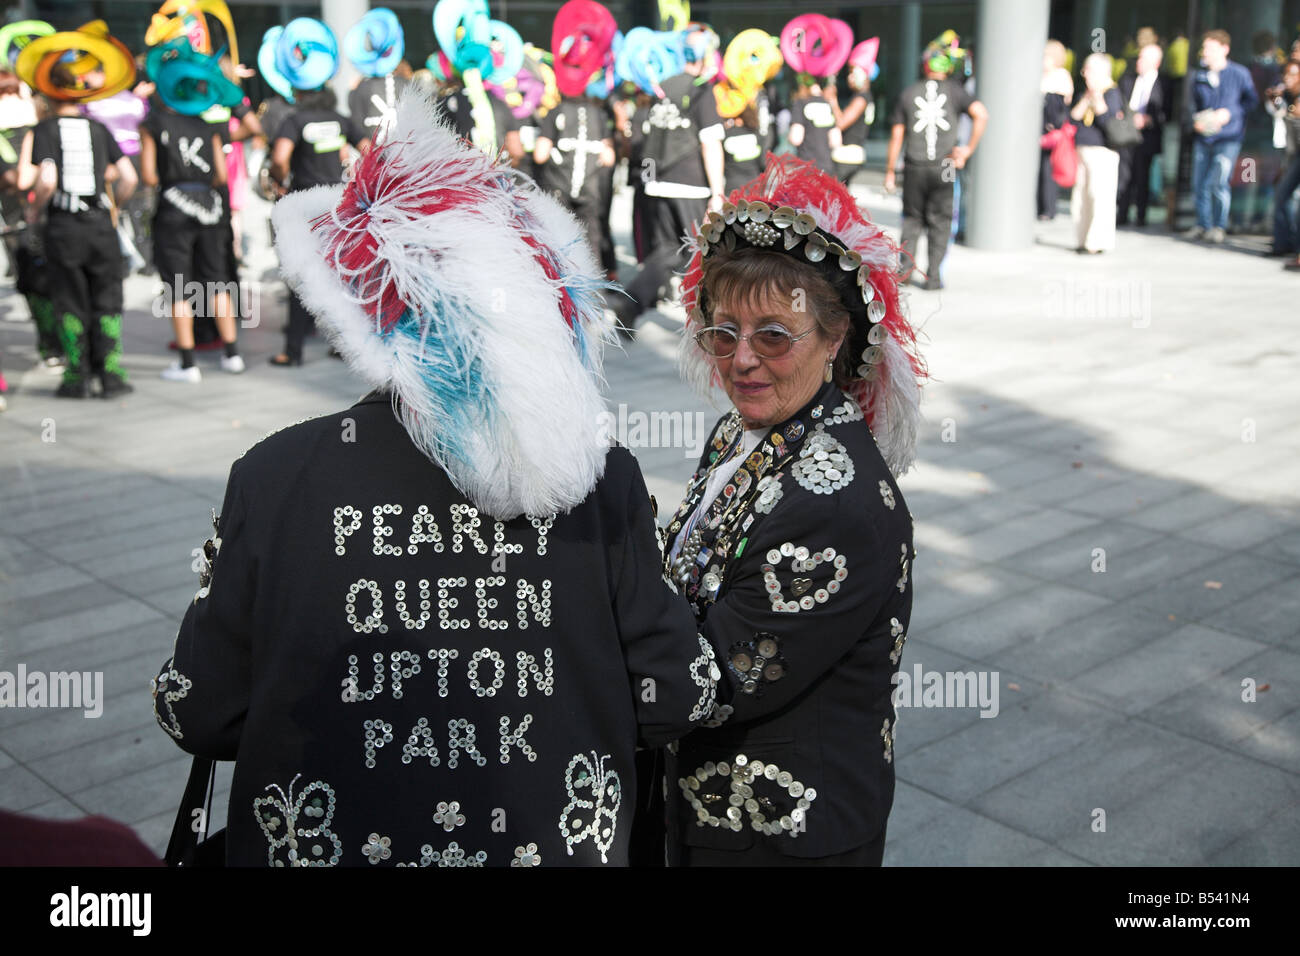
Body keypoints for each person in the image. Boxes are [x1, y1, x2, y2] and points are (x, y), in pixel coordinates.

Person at [151, 91, 716, 867]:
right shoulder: (601, 471)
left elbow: (196, 708)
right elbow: (679, 691)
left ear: (363, 311)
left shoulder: (276, 474)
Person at [657, 153, 925, 866]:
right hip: (713, 818)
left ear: (834, 340)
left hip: (783, 837)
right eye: (723, 333)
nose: (741, 360)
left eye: (773, 335)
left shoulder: (832, 503)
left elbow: (710, 681)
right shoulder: (744, 432)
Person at [17, 63, 139, 398]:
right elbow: (129, 176)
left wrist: (34, 208)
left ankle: (77, 377)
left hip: (65, 227)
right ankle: (111, 374)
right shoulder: (98, 128)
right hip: (100, 224)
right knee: (107, 297)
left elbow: (47, 178)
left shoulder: (45, 129)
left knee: (70, 298)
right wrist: (114, 207)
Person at [609, 28, 725, 333]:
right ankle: (708, 324)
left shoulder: (662, 89)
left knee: (666, 251)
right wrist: (718, 191)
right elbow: (710, 141)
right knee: (703, 251)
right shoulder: (701, 91)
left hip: (657, 184)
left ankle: (631, 303)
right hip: (691, 185)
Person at [140, 98, 243, 381]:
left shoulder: (152, 125)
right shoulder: (208, 125)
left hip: (173, 207)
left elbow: (149, 176)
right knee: (218, 280)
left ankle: (188, 363)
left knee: (178, 285)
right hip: (209, 206)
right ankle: (232, 354)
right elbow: (221, 175)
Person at [267, 87, 369, 366]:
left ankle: (293, 350)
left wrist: (280, 181)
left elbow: (279, 158)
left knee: (303, 271)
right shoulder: (339, 119)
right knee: (340, 272)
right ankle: (345, 346)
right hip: (337, 202)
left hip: (305, 203)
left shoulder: (294, 121)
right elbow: (369, 150)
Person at [885, 32, 988, 289]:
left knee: (912, 219)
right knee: (941, 221)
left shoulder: (909, 93)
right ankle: (933, 277)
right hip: (944, 165)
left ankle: (905, 272)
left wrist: (889, 171)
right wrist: (967, 149)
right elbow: (981, 114)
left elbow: (897, 135)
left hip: (915, 166)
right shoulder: (956, 91)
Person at [1185, 29, 1259, 243]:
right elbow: (1189, 105)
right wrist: (1195, 121)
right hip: (1204, 136)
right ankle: (1202, 225)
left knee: (1218, 182)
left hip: (1228, 138)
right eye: (1204, 48)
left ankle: (1219, 226)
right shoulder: (1198, 75)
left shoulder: (1239, 74)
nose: (1205, 52)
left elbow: (1250, 102)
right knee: (1199, 183)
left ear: (1224, 49)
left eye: (1210, 48)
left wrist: (1230, 113)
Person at [533, 93, 616, 277]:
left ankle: (557, 284)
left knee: (556, 239)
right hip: (590, 188)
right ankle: (592, 290)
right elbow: (609, 157)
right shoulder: (598, 114)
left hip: (559, 188)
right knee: (590, 242)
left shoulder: (556, 112)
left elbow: (540, 154)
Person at [1068, 53, 1126, 254]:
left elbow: (1108, 122)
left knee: (1099, 197)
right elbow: (1073, 118)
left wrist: (1098, 99)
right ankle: (1082, 239)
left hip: (1102, 151)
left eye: (1089, 70)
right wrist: (1086, 99)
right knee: (1081, 197)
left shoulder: (1112, 93)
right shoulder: (1085, 92)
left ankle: (1096, 241)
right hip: (1082, 150)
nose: (1085, 75)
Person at [1117, 43, 1169, 227]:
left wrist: (1149, 120)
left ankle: (1140, 215)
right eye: (1139, 58)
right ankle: (1121, 213)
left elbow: (1167, 112)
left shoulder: (1164, 84)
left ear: (1156, 62)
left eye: (1143, 59)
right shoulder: (1127, 80)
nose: (1139, 62)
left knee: (1142, 177)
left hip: (1147, 137)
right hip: (1126, 135)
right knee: (1124, 175)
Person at [1265, 58, 1300, 258]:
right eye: (1286, 74)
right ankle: (1284, 243)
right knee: (1282, 194)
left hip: (1295, 155)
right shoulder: (1286, 95)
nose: (1288, 78)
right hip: (1292, 154)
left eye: (1294, 74)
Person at [1039, 40, 1073, 220]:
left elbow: (1061, 108)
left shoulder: (1061, 76)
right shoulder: (1039, 75)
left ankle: (1048, 208)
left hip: (1052, 131)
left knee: (1049, 170)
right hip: (1038, 130)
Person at [788, 75, 839, 176]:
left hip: (806, 165)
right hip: (826, 166)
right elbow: (836, 141)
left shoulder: (800, 103)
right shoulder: (828, 103)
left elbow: (796, 138)